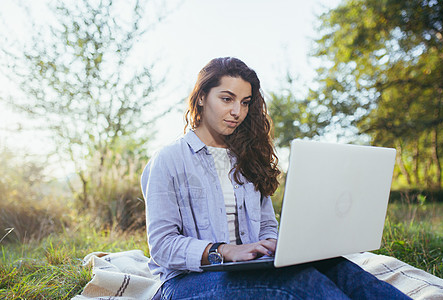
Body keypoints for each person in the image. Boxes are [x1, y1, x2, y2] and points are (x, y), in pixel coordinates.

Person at [141, 57, 410, 299]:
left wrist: (270, 245)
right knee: (301, 282)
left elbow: (268, 225)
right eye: (227, 99)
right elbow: (162, 246)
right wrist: (224, 251)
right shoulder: (169, 160)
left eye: (245, 102)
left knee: (339, 268)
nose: (238, 112)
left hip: (248, 270)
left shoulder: (246, 157)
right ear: (201, 97)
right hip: (185, 283)